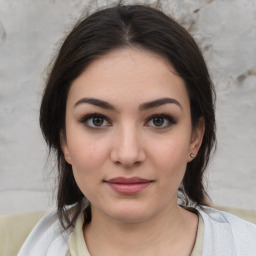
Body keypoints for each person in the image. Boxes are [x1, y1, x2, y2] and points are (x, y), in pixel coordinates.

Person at [1, 3, 256, 256]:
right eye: (97, 120)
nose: (128, 154)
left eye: (158, 120)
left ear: (195, 137)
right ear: (64, 140)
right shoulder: (10, 244)